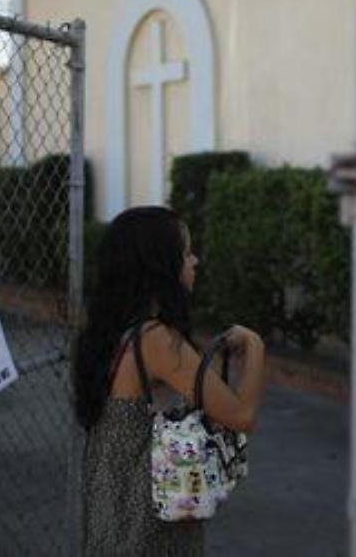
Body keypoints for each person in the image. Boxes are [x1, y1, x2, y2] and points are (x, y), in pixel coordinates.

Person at [72, 206, 266, 556]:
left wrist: (213, 361)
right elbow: (240, 415)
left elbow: (171, 400)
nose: (195, 262)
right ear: (160, 266)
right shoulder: (155, 338)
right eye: (187, 253)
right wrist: (255, 346)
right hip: (147, 524)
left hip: (112, 512)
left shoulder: (115, 331)